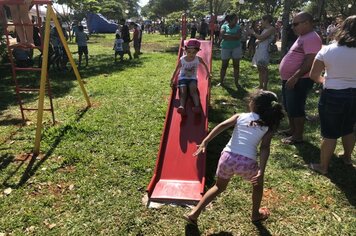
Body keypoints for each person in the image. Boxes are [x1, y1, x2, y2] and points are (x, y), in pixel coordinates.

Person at [182, 90, 284, 226]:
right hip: (246, 163)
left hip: (227, 158)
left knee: (218, 187)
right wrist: (261, 171)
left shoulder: (240, 116)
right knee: (257, 186)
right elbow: (264, 148)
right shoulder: (268, 126)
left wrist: (206, 140)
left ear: (254, 104)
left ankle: (194, 213)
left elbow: (222, 126)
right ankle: (255, 215)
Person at [308, 15, 356, 175]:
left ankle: (323, 167)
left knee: (329, 132)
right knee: (349, 128)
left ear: (342, 28)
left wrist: (326, 81)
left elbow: (314, 75)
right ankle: (347, 158)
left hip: (333, 94)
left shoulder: (328, 49)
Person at [279, 12, 322, 144]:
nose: (293, 27)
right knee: (289, 106)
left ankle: (297, 136)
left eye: (295, 24)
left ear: (307, 23)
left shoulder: (312, 38)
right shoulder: (303, 36)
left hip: (300, 79)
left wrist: (295, 77)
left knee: (296, 107)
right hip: (290, 78)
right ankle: (292, 130)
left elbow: (310, 61)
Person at [171, 39, 210, 115]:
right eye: (189, 52)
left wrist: (208, 73)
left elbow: (205, 65)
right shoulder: (182, 60)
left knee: (193, 90)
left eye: (194, 52)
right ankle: (182, 106)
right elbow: (176, 69)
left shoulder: (198, 59)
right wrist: (172, 79)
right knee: (183, 91)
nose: (191, 54)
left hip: (192, 78)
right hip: (182, 78)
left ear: (197, 52)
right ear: (185, 51)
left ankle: (197, 106)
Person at [249, 15, 276, 90]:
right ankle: (261, 85)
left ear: (266, 20)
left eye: (262, 20)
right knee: (259, 68)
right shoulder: (265, 29)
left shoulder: (271, 29)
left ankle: (265, 87)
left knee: (264, 68)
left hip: (265, 50)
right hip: (260, 49)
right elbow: (263, 39)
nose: (261, 22)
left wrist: (253, 33)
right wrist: (258, 41)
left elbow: (261, 37)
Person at [219, 13, 242, 89]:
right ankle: (221, 82)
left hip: (236, 47)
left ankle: (236, 82)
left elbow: (238, 37)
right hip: (226, 48)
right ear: (231, 20)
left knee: (236, 65)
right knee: (224, 65)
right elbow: (222, 36)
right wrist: (233, 36)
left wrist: (228, 35)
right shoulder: (224, 26)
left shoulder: (238, 27)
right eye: (235, 19)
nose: (237, 20)